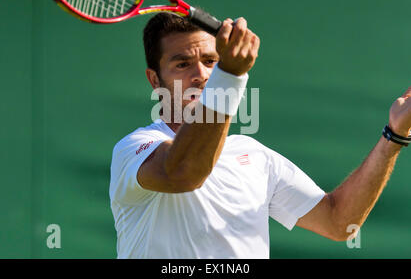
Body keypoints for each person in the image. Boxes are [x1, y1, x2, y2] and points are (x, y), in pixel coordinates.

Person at [109, 13, 411, 259]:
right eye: (182, 64)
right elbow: (185, 173)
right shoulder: (134, 149)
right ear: (154, 79)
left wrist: (394, 136)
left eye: (212, 61)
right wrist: (228, 77)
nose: (200, 74)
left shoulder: (253, 156)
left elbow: (339, 223)